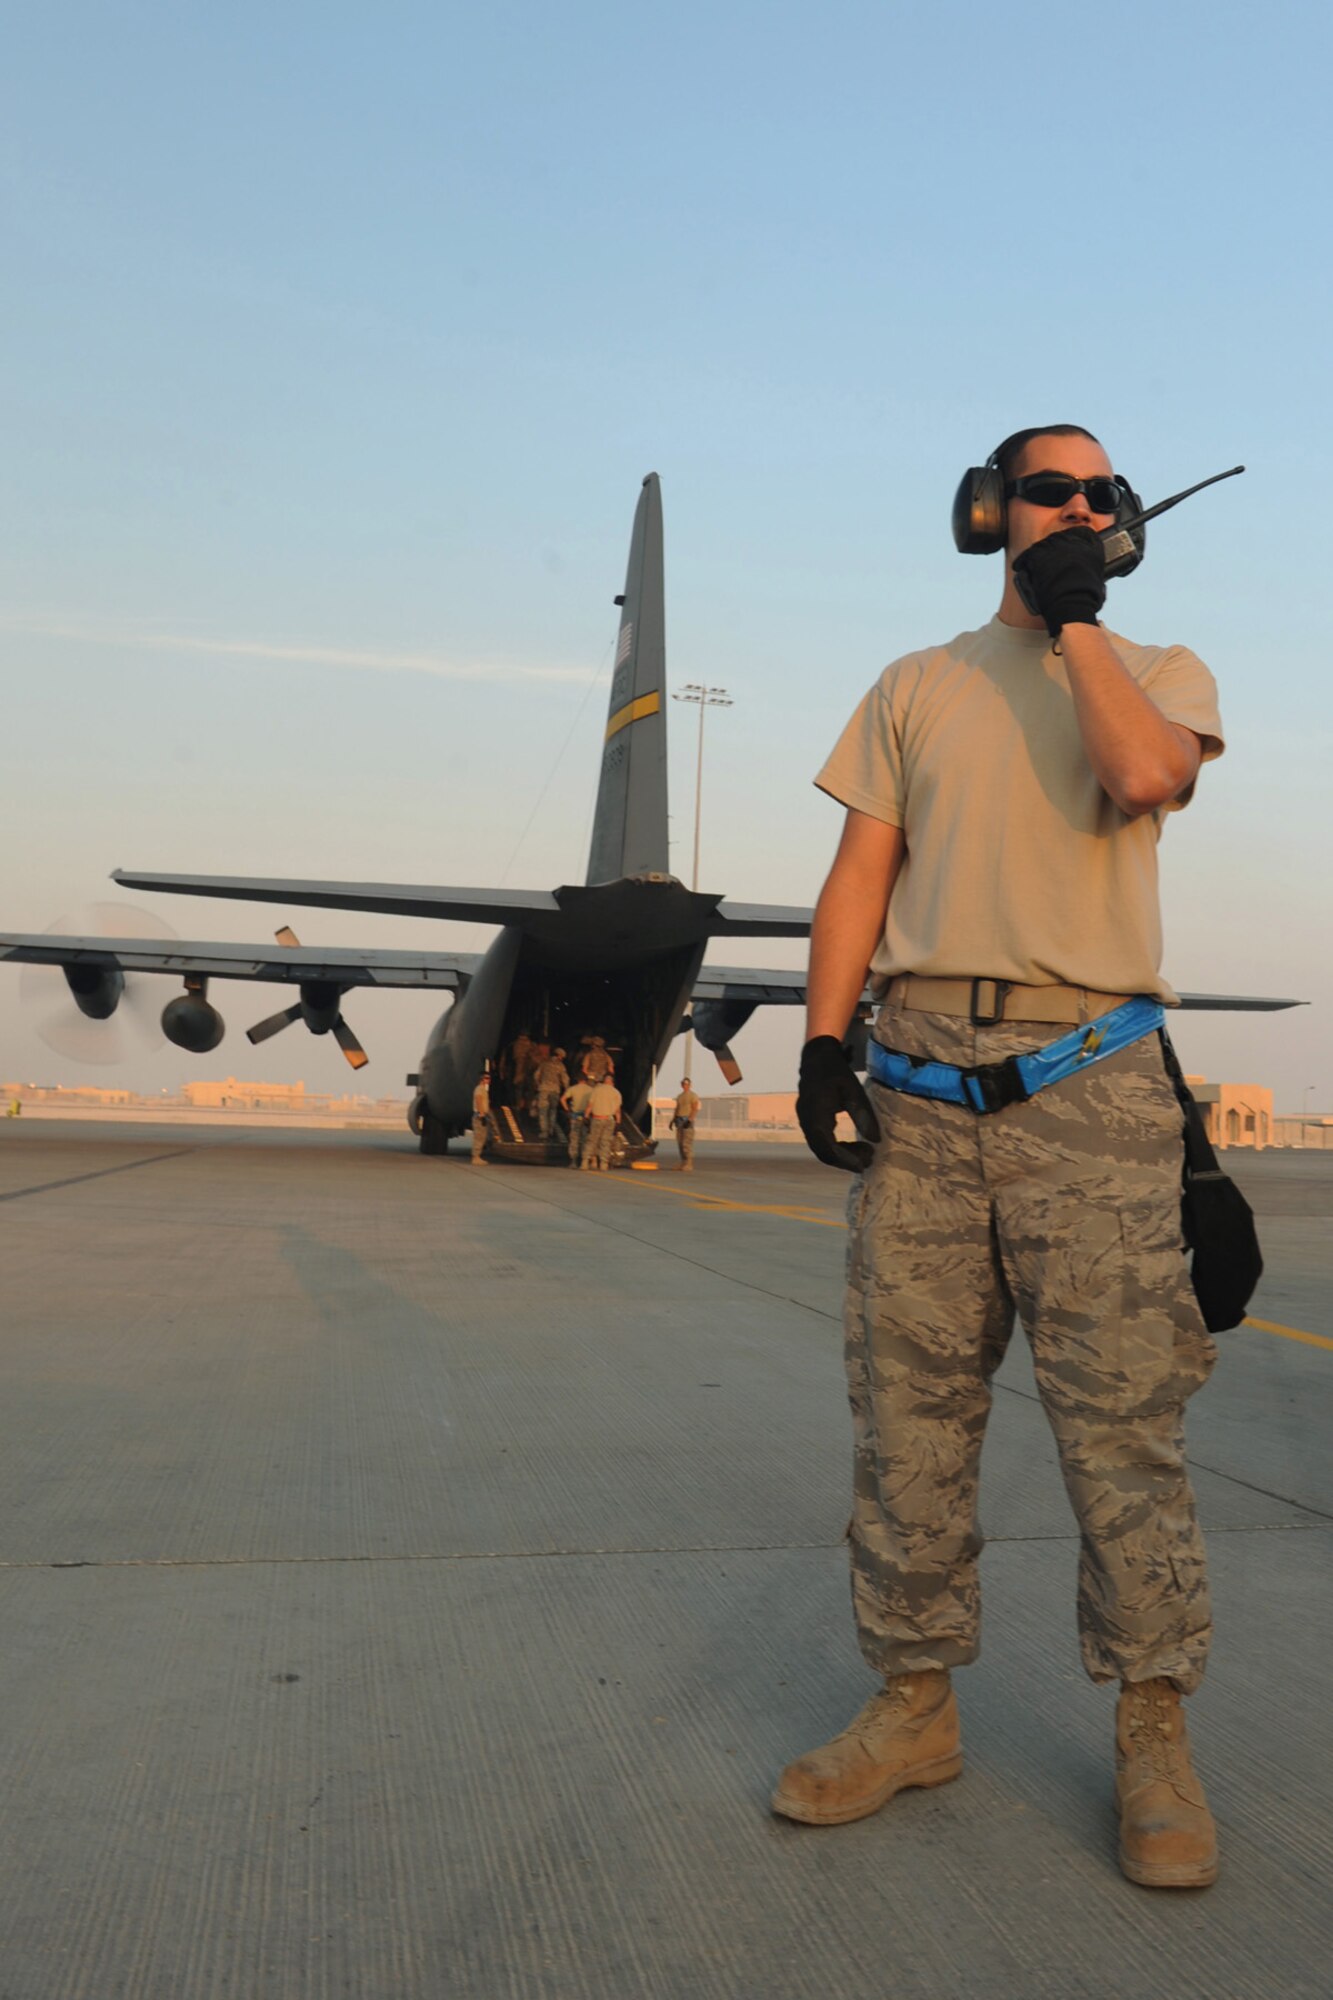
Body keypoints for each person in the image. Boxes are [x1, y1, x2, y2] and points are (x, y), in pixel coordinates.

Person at [775, 425, 1225, 1891]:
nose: (1080, 508)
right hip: (918, 1090)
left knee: (1120, 1431)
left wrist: (1081, 620)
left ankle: (1152, 1734)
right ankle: (912, 1708)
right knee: (905, 1423)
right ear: (989, 512)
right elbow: (860, 873)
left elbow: (1145, 781)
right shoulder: (915, 683)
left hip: (1087, 1091)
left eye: (1105, 495)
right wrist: (823, 1043)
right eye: (1052, 490)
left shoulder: (1158, 671)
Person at [581, 1076, 622, 1170]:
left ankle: (585, 1162)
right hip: (609, 1120)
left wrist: (586, 1117)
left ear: (604, 1082)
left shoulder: (596, 1090)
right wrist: (618, 1123)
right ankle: (604, 1164)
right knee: (605, 1142)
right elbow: (617, 1111)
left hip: (597, 1119)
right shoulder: (616, 1092)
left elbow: (590, 1105)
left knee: (592, 1141)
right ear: (612, 1083)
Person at [533, 1047, 570, 1140]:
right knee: (552, 1111)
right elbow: (565, 1079)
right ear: (559, 1056)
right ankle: (551, 1130)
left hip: (544, 1089)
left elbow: (536, 1075)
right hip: (555, 1090)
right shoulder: (561, 1066)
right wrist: (566, 1090)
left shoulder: (544, 1063)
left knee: (543, 1111)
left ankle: (544, 1132)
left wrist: (538, 1085)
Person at [561, 1074, 593, 1167]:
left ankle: (573, 1161)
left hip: (575, 1116)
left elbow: (562, 1099)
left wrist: (567, 1110)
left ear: (578, 1080)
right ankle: (584, 1160)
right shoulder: (591, 1090)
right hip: (586, 1117)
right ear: (586, 1080)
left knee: (574, 1138)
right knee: (585, 1138)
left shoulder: (573, 1089)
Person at [671, 1077, 701, 1171]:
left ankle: (689, 1163)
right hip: (679, 1119)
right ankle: (683, 1162)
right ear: (681, 1085)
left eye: (687, 1084)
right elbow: (677, 1108)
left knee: (686, 1143)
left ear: (690, 1085)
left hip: (686, 1119)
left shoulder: (693, 1096)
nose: (685, 1086)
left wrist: (690, 1120)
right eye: (684, 1084)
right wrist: (673, 1120)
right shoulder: (680, 1096)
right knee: (680, 1142)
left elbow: (695, 1108)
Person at [470, 1070, 491, 1165]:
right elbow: (478, 1100)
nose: (488, 1080)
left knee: (482, 1136)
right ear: (482, 1079)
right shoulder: (480, 1089)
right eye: (486, 1078)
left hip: (481, 1115)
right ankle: (475, 1157)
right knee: (479, 1136)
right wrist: (481, 1113)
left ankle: (477, 1156)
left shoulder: (483, 1089)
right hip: (479, 1115)